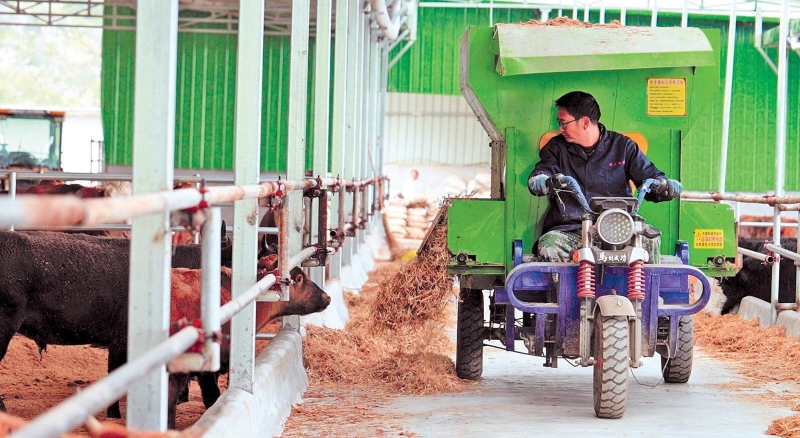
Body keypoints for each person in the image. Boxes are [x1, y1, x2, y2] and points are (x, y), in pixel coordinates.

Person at [527, 91, 682, 262]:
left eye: (563, 123)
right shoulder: (556, 148)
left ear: (585, 122)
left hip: (619, 228)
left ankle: (640, 289)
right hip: (571, 230)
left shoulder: (623, 146)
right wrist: (540, 181)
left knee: (649, 242)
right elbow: (543, 171)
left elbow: (650, 178)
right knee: (550, 244)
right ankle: (567, 289)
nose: (560, 129)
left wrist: (664, 185)